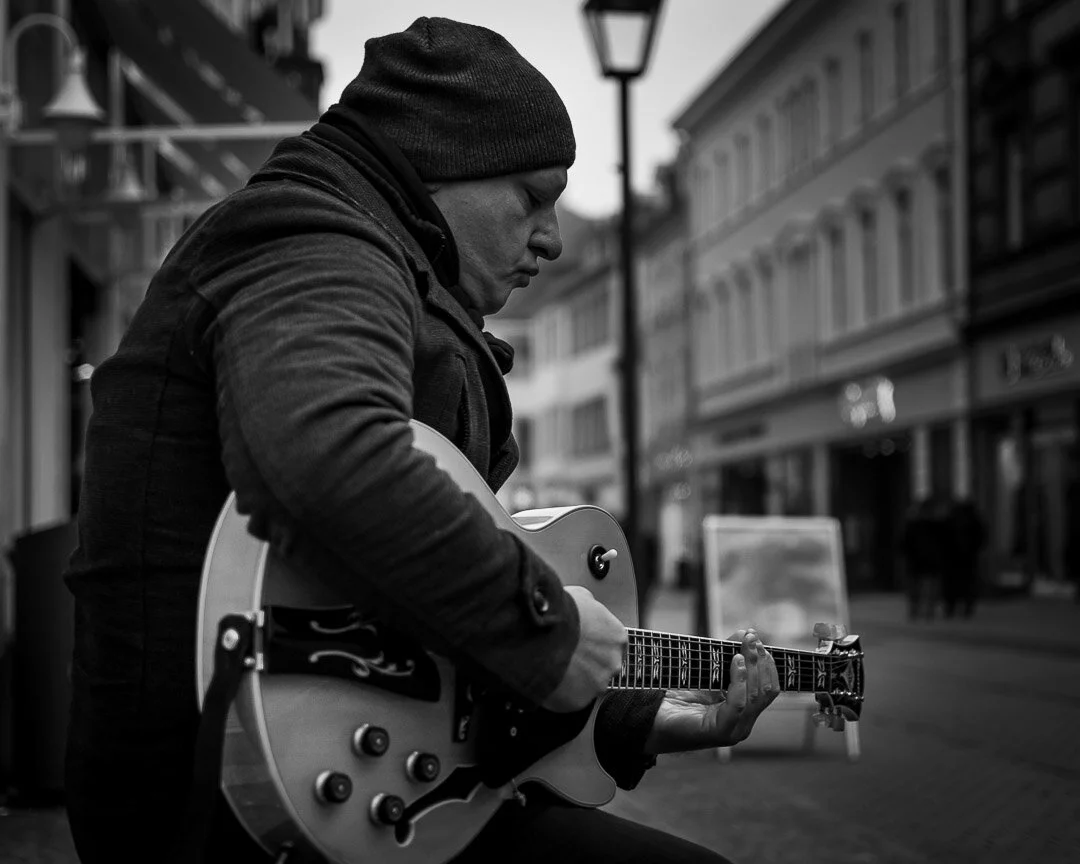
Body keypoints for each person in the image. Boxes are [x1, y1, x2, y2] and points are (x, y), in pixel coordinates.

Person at [63, 18, 780, 864]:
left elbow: (418, 646)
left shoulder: (370, 257)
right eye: (531, 197)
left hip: (335, 791)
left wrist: (639, 721)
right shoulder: (312, 236)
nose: (550, 238)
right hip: (225, 808)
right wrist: (545, 624)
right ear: (443, 164)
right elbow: (327, 460)